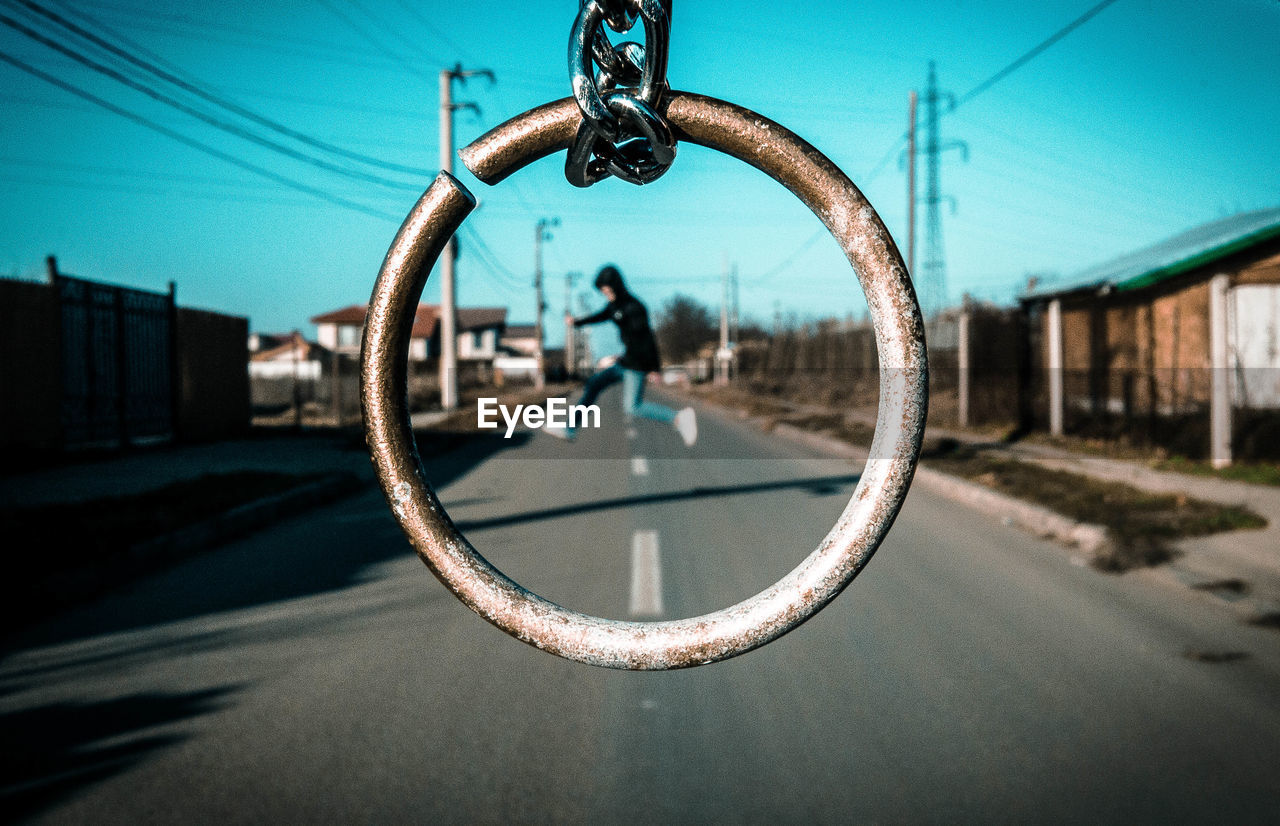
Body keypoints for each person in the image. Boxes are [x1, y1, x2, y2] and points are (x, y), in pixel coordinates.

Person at [548, 265, 697, 446]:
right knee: (594, 384)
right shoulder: (614, 306)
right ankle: (569, 428)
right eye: (603, 291)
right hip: (625, 361)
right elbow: (600, 316)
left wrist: (654, 368)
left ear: (615, 286)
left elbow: (647, 339)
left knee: (633, 407)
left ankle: (679, 418)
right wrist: (576, 322)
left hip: (637, 363)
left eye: (607, 290)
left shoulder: (634, 307)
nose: (605, 294)